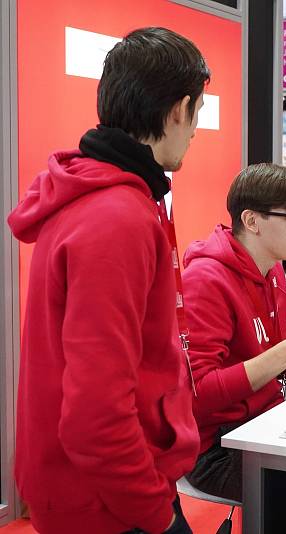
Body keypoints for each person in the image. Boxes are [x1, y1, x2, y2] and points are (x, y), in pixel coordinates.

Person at [6, 27, 210, 533]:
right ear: (181, 109)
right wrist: (154, 514)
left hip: (103, 489)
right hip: (110, 505)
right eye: (198, 113)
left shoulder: (101, 201)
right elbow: (95, 413)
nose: (194, 129)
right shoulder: (116, 218)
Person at [181, 163, 286, 501]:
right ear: (252, 221)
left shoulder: (273, 269)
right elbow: (199, 394)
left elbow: (265, 362)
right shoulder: (205, 280)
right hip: (218, 448)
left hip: (268, 420)